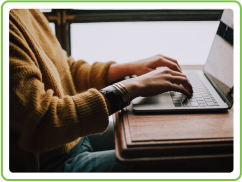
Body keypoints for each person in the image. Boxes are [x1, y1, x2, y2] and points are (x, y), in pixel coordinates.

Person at [9, 9, 194, 172]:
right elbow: (42, 123)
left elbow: (65, 71)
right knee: (177, 160)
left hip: (73, 138)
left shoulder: (25, 8)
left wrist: (129, 68)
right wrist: (132, 87)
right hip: (50, 163)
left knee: (167, 138)